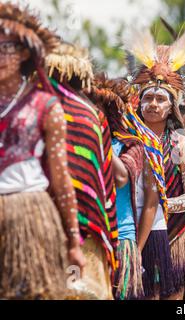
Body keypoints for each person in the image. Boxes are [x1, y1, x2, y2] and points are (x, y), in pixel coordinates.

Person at [0, 2, 84, 299]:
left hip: (29, 217)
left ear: (24, 52)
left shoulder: (46, 106)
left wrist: (73, 240)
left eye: (5, 47)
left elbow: (62, 181)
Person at [124, 24, 185, 299]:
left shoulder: (181, 144)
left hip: (174, 233)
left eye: (161, 99)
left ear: (172, 107)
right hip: (133, 229)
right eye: (148, 98)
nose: (154, 104)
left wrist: (160, 205)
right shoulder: (127, 141)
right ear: (139, 103)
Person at [45, 42, 118, 299]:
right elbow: (107, 182)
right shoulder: (94, 115)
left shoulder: (32, 107)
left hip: (40, 222)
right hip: (87, 226)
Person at [87, 74, 161, 300]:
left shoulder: (132, 145)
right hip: (90, 236)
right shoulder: (79, 141)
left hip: (121, 239)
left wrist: (98, 137)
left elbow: (120, 177)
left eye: (95, 110)